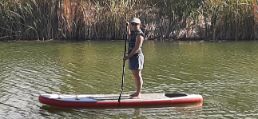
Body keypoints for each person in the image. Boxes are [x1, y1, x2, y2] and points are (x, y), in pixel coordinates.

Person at [123, 18, 145, 98]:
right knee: (135, 75)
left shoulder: (139, 35)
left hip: (137, 56)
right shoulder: (133, 32)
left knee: (137, 75)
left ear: (139, 25)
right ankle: (137, 91)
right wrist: (128, 27)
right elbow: (129, 36)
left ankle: (138, 93)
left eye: (136, 24)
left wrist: (127, 57)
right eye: (133, 24)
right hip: (132, 56)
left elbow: (136, 48)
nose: (134, 26)